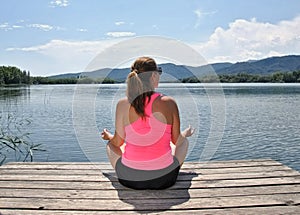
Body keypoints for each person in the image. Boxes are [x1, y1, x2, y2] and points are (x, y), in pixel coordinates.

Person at [101, 56, 194, 189]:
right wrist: (185, 134)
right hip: (164, 179)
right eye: (159, 72)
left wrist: (108, 137)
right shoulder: (169, 103)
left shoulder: (122, 104)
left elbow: (117, 142)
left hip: (130, 179)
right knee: (184, 142)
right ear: (153, 76)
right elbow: (177, 141)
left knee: (111, 145)